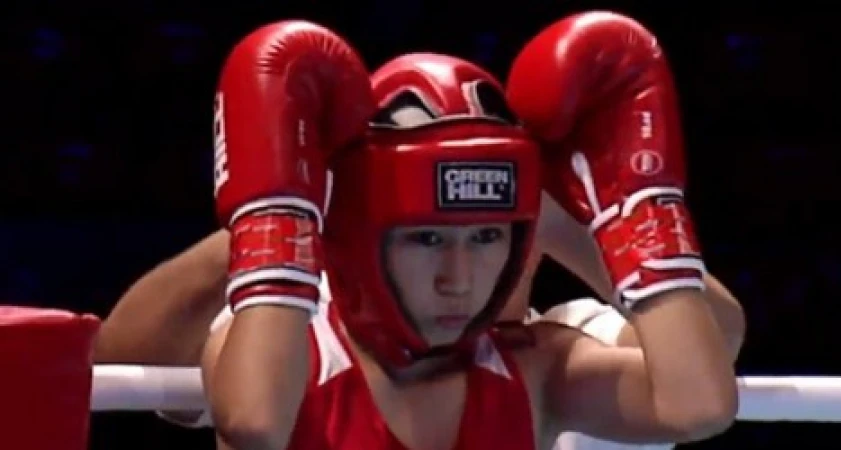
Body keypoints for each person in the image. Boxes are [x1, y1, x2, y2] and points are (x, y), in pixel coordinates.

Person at [97, 12, 743, 450]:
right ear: (360, 233)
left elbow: (698, 404)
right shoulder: (296, 349)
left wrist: (635, 215)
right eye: (427, 239)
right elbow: (255, 423)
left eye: (487, 238)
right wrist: (282, 212)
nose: (458, 279)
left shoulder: (537, 367)